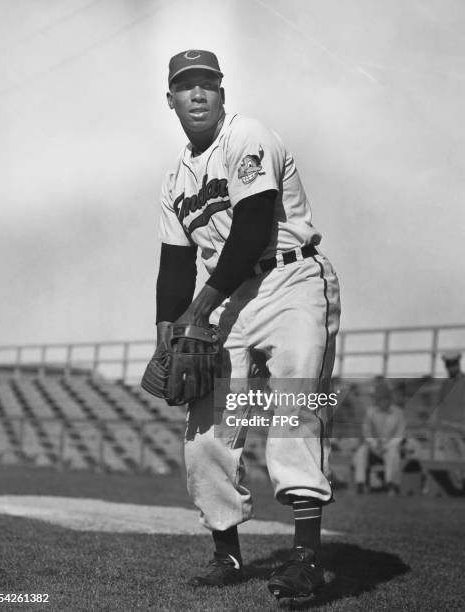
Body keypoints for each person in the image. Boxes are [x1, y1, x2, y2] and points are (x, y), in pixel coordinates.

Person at [150, 49, 340, 600]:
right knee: (206, 428)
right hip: (227, 298)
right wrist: (168, 326)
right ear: (172, 100)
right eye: (186, 87)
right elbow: (174, 261)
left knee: (292, 411)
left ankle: (305, 560)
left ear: (222, 93)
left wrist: (198, 309)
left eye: (207, 83)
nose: (198, 94)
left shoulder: (247, 135)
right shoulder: (175, 179)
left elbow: (254, 227)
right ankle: (227, 556)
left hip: (289, 282)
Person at [353, 381, 406, 495]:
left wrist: (386, 446)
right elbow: (366, 432)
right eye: (381, 398)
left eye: (386, 398)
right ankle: (360, 484)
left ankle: (391, 485)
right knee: (361, 452)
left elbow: (399, 435)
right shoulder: (370, 412)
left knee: (393, 453)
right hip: (374, 447)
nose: (384, 401)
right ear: (377, 400)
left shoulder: (398, 412)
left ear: (390, 399)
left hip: (390, 447)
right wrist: (375, 444)